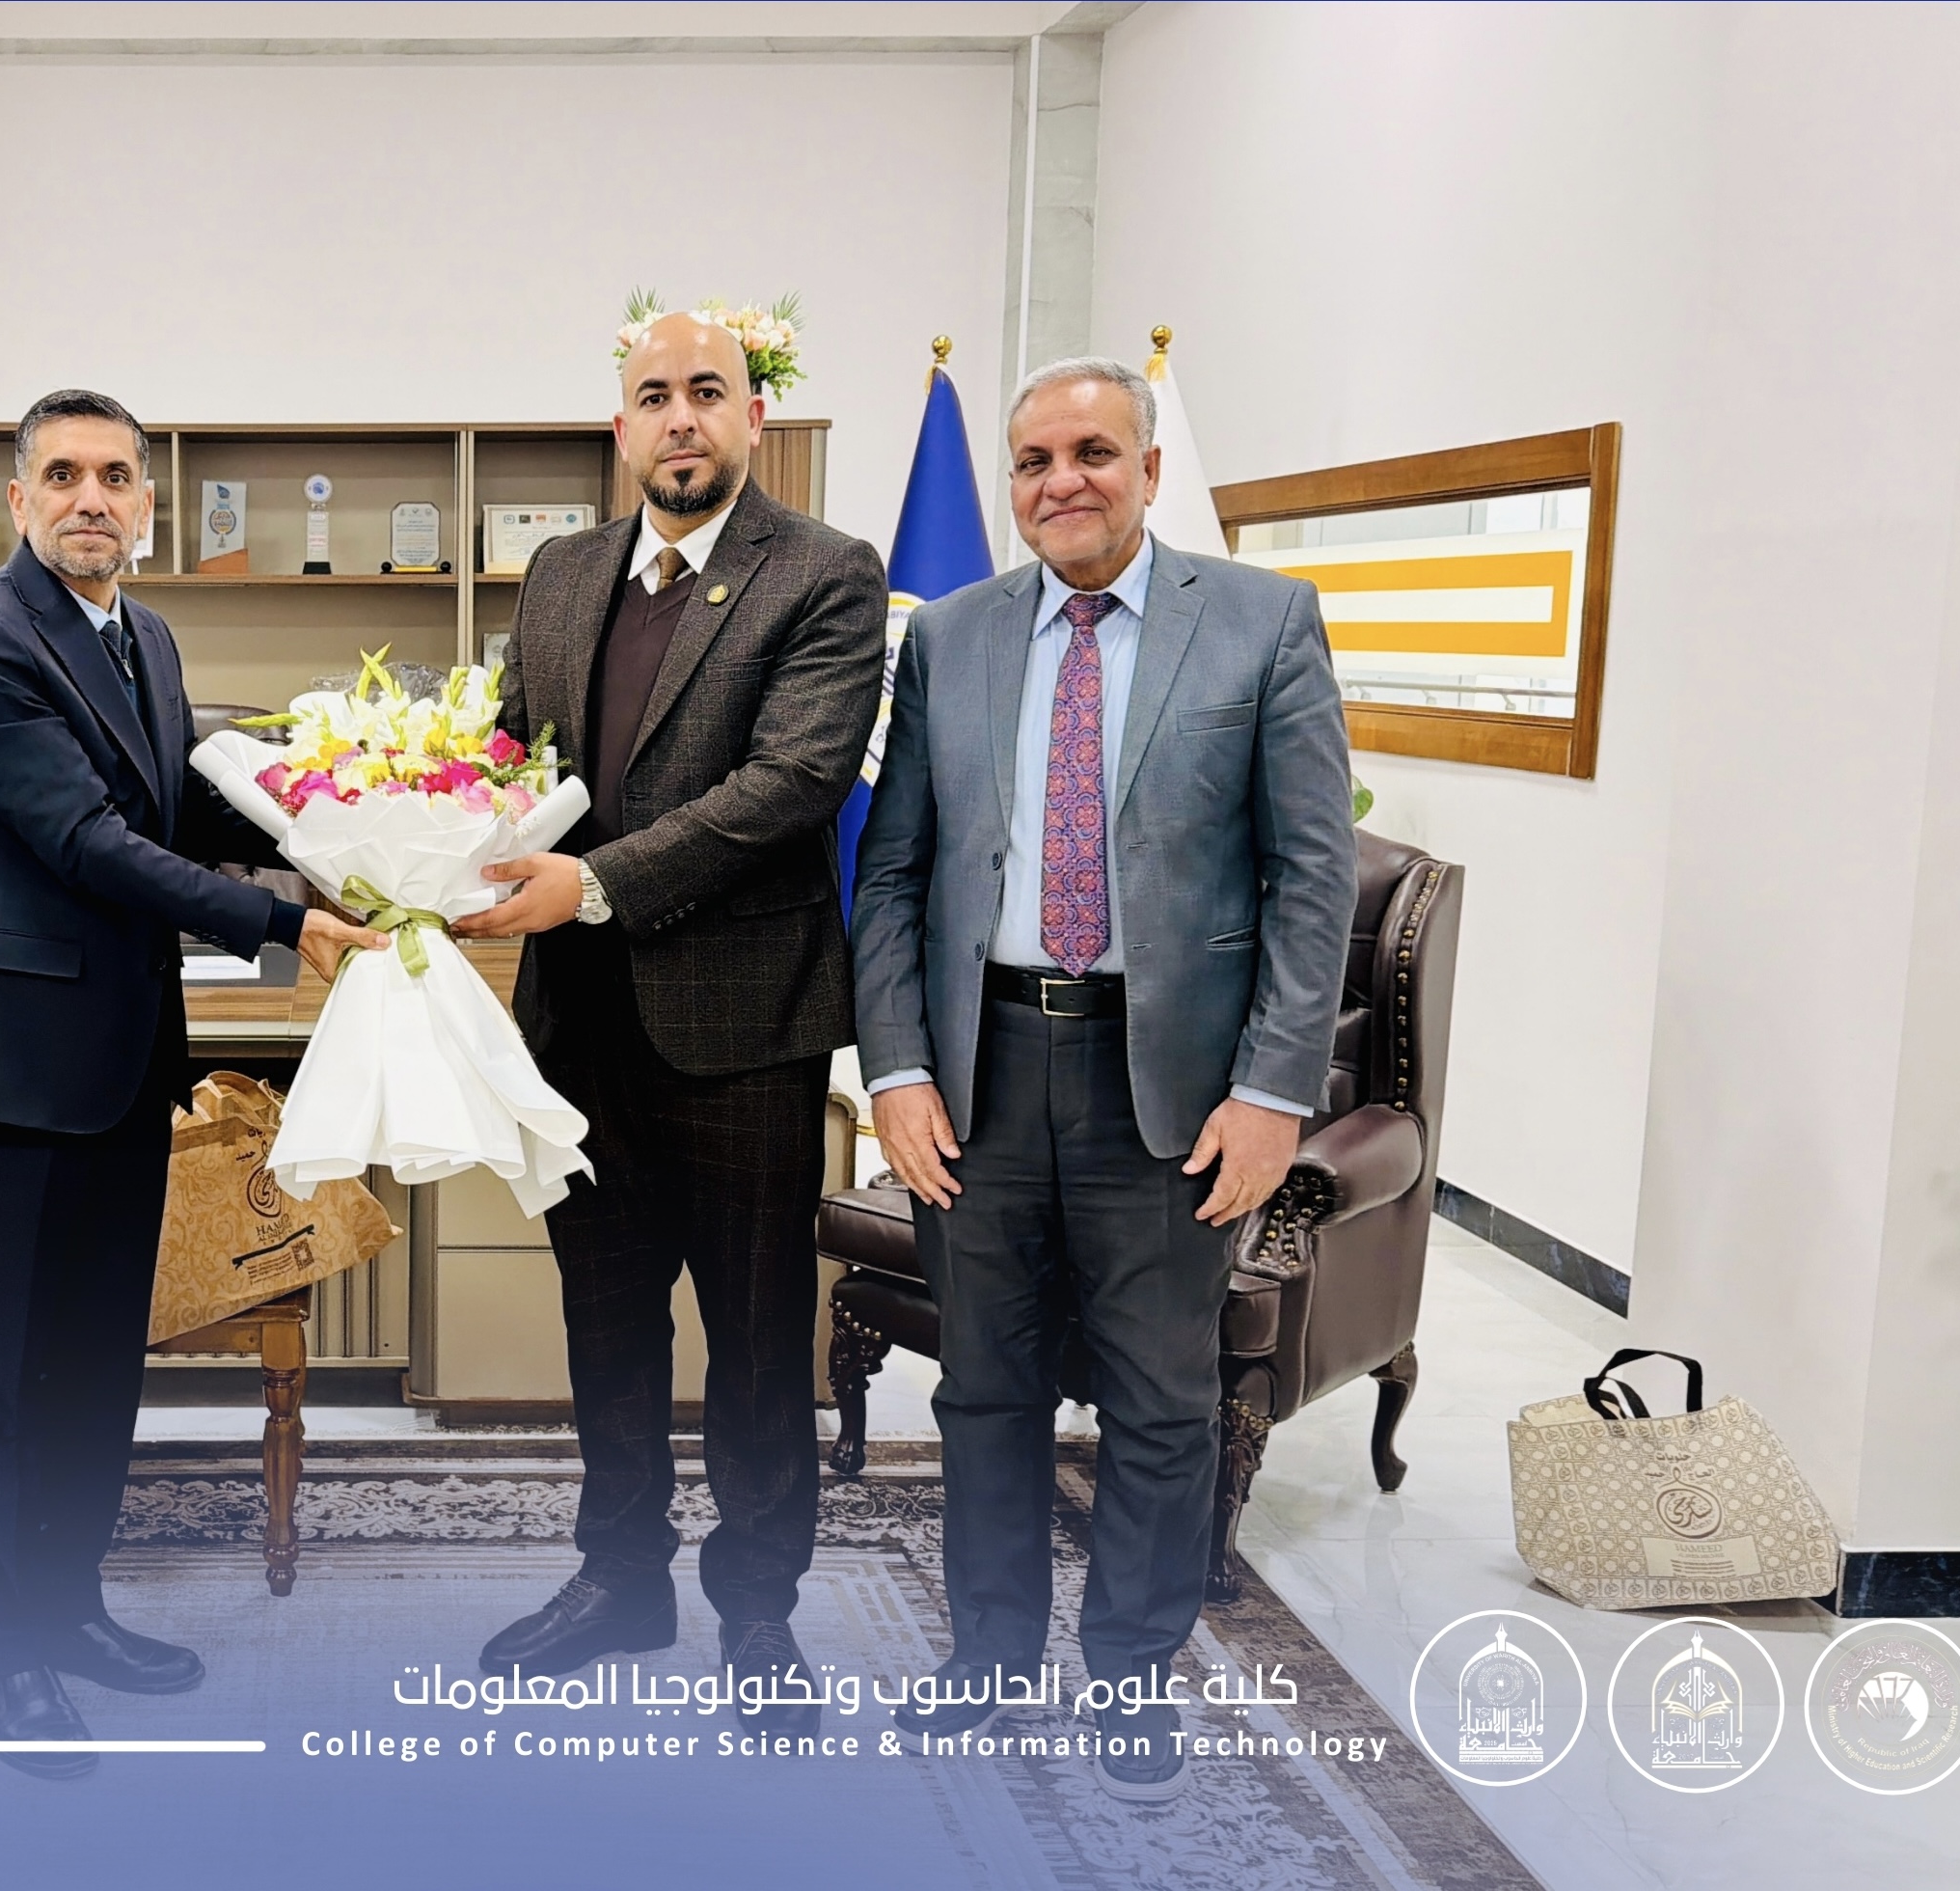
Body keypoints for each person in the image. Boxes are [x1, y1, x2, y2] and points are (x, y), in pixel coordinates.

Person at [847, 355, 1354, 1800]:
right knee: (983, 1394)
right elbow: (894, 874)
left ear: (1147, 468)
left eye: (1091, 453)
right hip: (982, 1073)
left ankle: (1131, 1677)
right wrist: (896, 1068)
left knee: (1160, 1402)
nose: (1059, 481)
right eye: (1032, 461)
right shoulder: (949, 636)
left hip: (1174, 1086)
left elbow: (1311, 878)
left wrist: (1271, 1092)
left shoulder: (1259, 622)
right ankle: (989, 1662)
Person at [0, 387, 385, 1777]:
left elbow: (181, 802)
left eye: (115, 475)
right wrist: (287, 918)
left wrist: (357, 816)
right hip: (5, 1072)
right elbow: (88, 842)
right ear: (19, 499)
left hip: (118, 1066)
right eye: (62, 474)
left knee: (97, 1363)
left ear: (148, 503)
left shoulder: (146, 636)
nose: (90, 498)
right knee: (5, 1375)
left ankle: (67, 1608)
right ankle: (2, 1655)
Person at [449, 313, 886, 1734]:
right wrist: (423, 837)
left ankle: (758, 1611)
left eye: (707, 391)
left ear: (752, 416)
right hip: (577, 1035)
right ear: (620, 425)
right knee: (608, 1324)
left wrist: (589, 887)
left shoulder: (824, 573)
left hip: (743, 1033)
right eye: (654, 395)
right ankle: (620, 1578)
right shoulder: (561, 574)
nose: (680, 417)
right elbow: (512, 758)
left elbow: (791, 785)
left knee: (755, 1341)